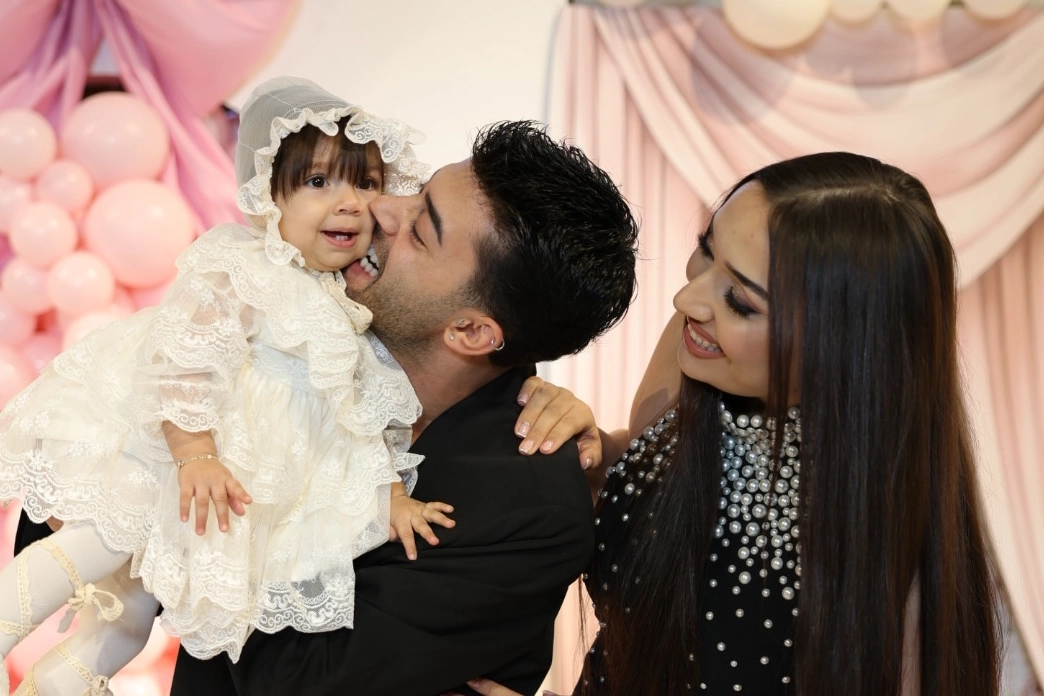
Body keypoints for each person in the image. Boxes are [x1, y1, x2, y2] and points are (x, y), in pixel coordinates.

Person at [464, 152, 1001, 696]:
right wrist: (591, 452)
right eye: (706, 249)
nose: (687, 297)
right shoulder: (697, 346)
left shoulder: (880, 534)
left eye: (741, 301)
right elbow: (651, 479)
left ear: (844, 346)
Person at [0, 76, 463, 694]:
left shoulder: (352, 305)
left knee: (130, 620)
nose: (350, 202)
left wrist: (387, 496)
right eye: (318, 182)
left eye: (367, 183)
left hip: (226, 495)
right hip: (166, 458)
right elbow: (185, 358)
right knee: (88, 550)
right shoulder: (246, 266)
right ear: (268, 195)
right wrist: (194, 452)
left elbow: (354, 420)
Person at [161, 119, 640, 696]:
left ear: (470, 331)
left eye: (421, 230)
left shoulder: (531, 513)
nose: (382, 207)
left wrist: (198, 525)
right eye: (416, 192)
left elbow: (295, 679)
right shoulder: (286, 338)